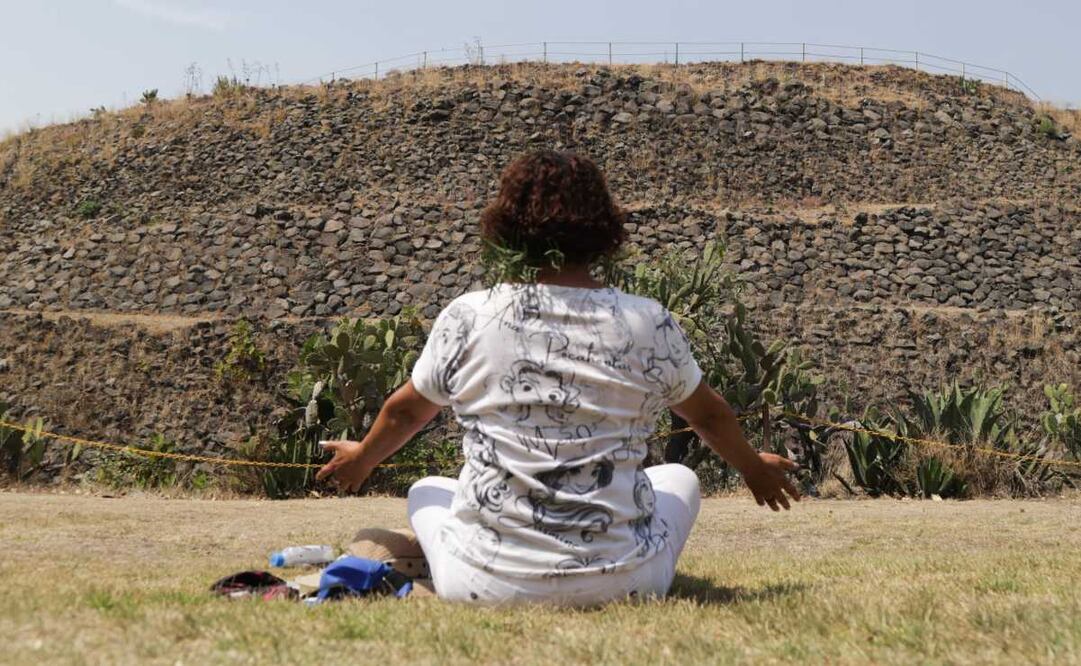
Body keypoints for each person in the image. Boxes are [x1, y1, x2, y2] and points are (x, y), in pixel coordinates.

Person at [317, 150, 799, 606]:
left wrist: (362, 459)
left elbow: (406, 413)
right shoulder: (646, 320)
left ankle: (453, 551)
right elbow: (709, 416)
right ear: (604, 230)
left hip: (483, 585)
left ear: (507, 229)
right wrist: (752, 468)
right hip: (630, 583)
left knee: (427, 487)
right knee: (680, 477)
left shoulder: (469, 315)